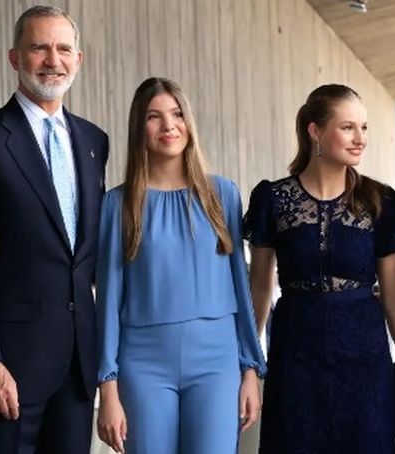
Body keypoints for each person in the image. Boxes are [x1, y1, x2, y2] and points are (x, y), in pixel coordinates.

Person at [0, 5, 109, 453]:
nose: (52, 59)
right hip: (8, 370)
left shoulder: (94, 143)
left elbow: (86, 258)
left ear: (79, 59)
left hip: (77, 369)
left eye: (63, 48)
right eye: (39, 48)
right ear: (15, 58)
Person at [244, 84, 395, 453]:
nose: (360, 139)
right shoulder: (273, 199)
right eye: (348, 127)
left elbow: (393, 296)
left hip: (365, 358)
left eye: (365, 128)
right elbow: (259, 290)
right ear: (315, 131)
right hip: (295, 354)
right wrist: (246, 365)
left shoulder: (379, 201)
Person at [95, 77, 266, 454]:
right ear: (139, 128)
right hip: (143, 363)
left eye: (176, 114)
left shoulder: (222, 194)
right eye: (154, 117)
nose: (168, 126)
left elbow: (241, 284)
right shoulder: (116, 205)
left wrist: (250, 368)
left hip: (217, 361)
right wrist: (107, 386)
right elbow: (107, 299)